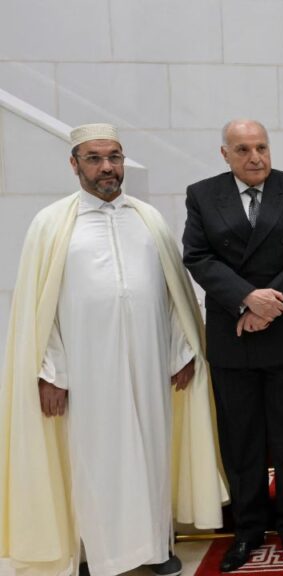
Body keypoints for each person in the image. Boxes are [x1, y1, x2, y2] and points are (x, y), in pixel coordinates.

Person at [0, 124, 224, 576]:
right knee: (96, 458)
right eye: (95, 158)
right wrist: (50, 373)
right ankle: (97, 555)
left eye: (115, 157)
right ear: (74, 164)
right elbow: (41, 310)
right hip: (86, 370)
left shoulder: (148, 219)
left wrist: (181, 350)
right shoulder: (51, 224)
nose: (107, 168)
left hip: (148, 365)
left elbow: (173, 294)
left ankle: (156, 549)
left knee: (151, 453)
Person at [182, 119, 283, 571]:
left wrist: (267, 304)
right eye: (242, 149)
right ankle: (247, 531)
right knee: (241, 441)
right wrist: (246, 298)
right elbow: (197, 255)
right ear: (225, 154)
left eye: (261, 147)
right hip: (233, 332)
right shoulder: (202, 194)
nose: (255, 157)